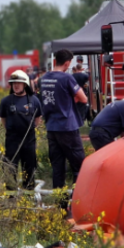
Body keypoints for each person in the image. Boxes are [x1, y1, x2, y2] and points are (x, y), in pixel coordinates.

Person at [40, 49, 89, 203]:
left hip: (52, 127)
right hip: (67, 127)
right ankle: (77, 201)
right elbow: (83, 99)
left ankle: (60, 205)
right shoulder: (66, 78)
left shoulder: (43, 78)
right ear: (67, 63)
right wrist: (69, 101)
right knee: (79, 166)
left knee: (58, 168)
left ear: (55, 61)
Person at [0, 70, 42, 190]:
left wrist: (30, 129)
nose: (16, 85)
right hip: (12, 140)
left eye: (18, 82)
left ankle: (28, 195)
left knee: (29, 168)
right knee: (10, 167)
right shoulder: (6, 101)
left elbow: (38, 118)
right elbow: (3, 119)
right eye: (13, 83)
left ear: (25, 84)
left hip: (29, 140)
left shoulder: (34, 100)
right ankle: (11, 196)